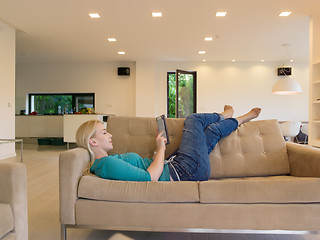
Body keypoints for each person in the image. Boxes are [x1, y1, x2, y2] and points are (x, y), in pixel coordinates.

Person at [75, 106, 261, 182]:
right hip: (185, 171)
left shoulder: (105, 162)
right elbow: (150, 178)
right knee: (193, 120)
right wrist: (160, 148)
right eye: (105, 132)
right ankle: (225, 115)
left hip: (179, 166)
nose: (110, 134)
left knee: (210, 131)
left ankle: (240, 119)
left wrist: (162, 152)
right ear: (92, 141)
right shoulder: (106, 164)